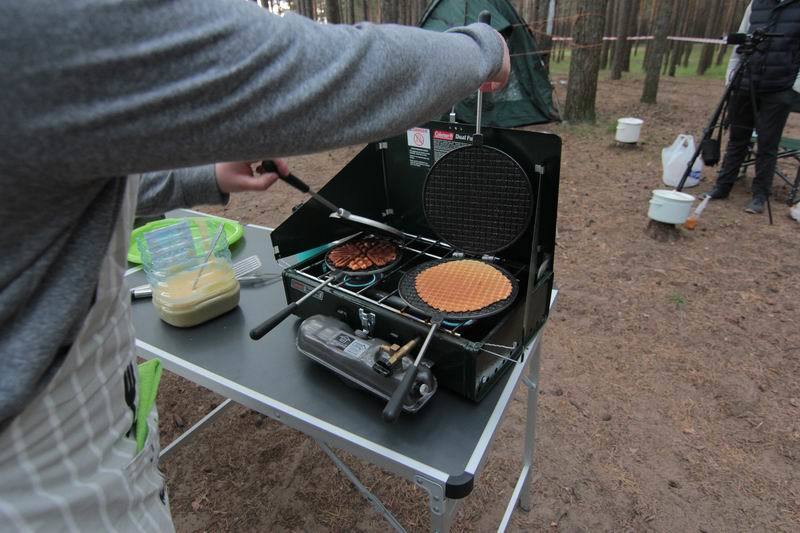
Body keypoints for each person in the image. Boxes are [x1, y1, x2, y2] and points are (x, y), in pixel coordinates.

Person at [0, 1, 510, 530]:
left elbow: (72, 170)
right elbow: (319, 73)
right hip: (42, 462)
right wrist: (482, 50)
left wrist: (206, 176)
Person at [705, 0, 800, 213]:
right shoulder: (756, 4)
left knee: (767, 143)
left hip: (779, 88)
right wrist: (732, 76)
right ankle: (723, 186)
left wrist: (793, 85)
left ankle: (759, 195)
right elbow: (742, 39)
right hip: (745, 83)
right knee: (738, 138)